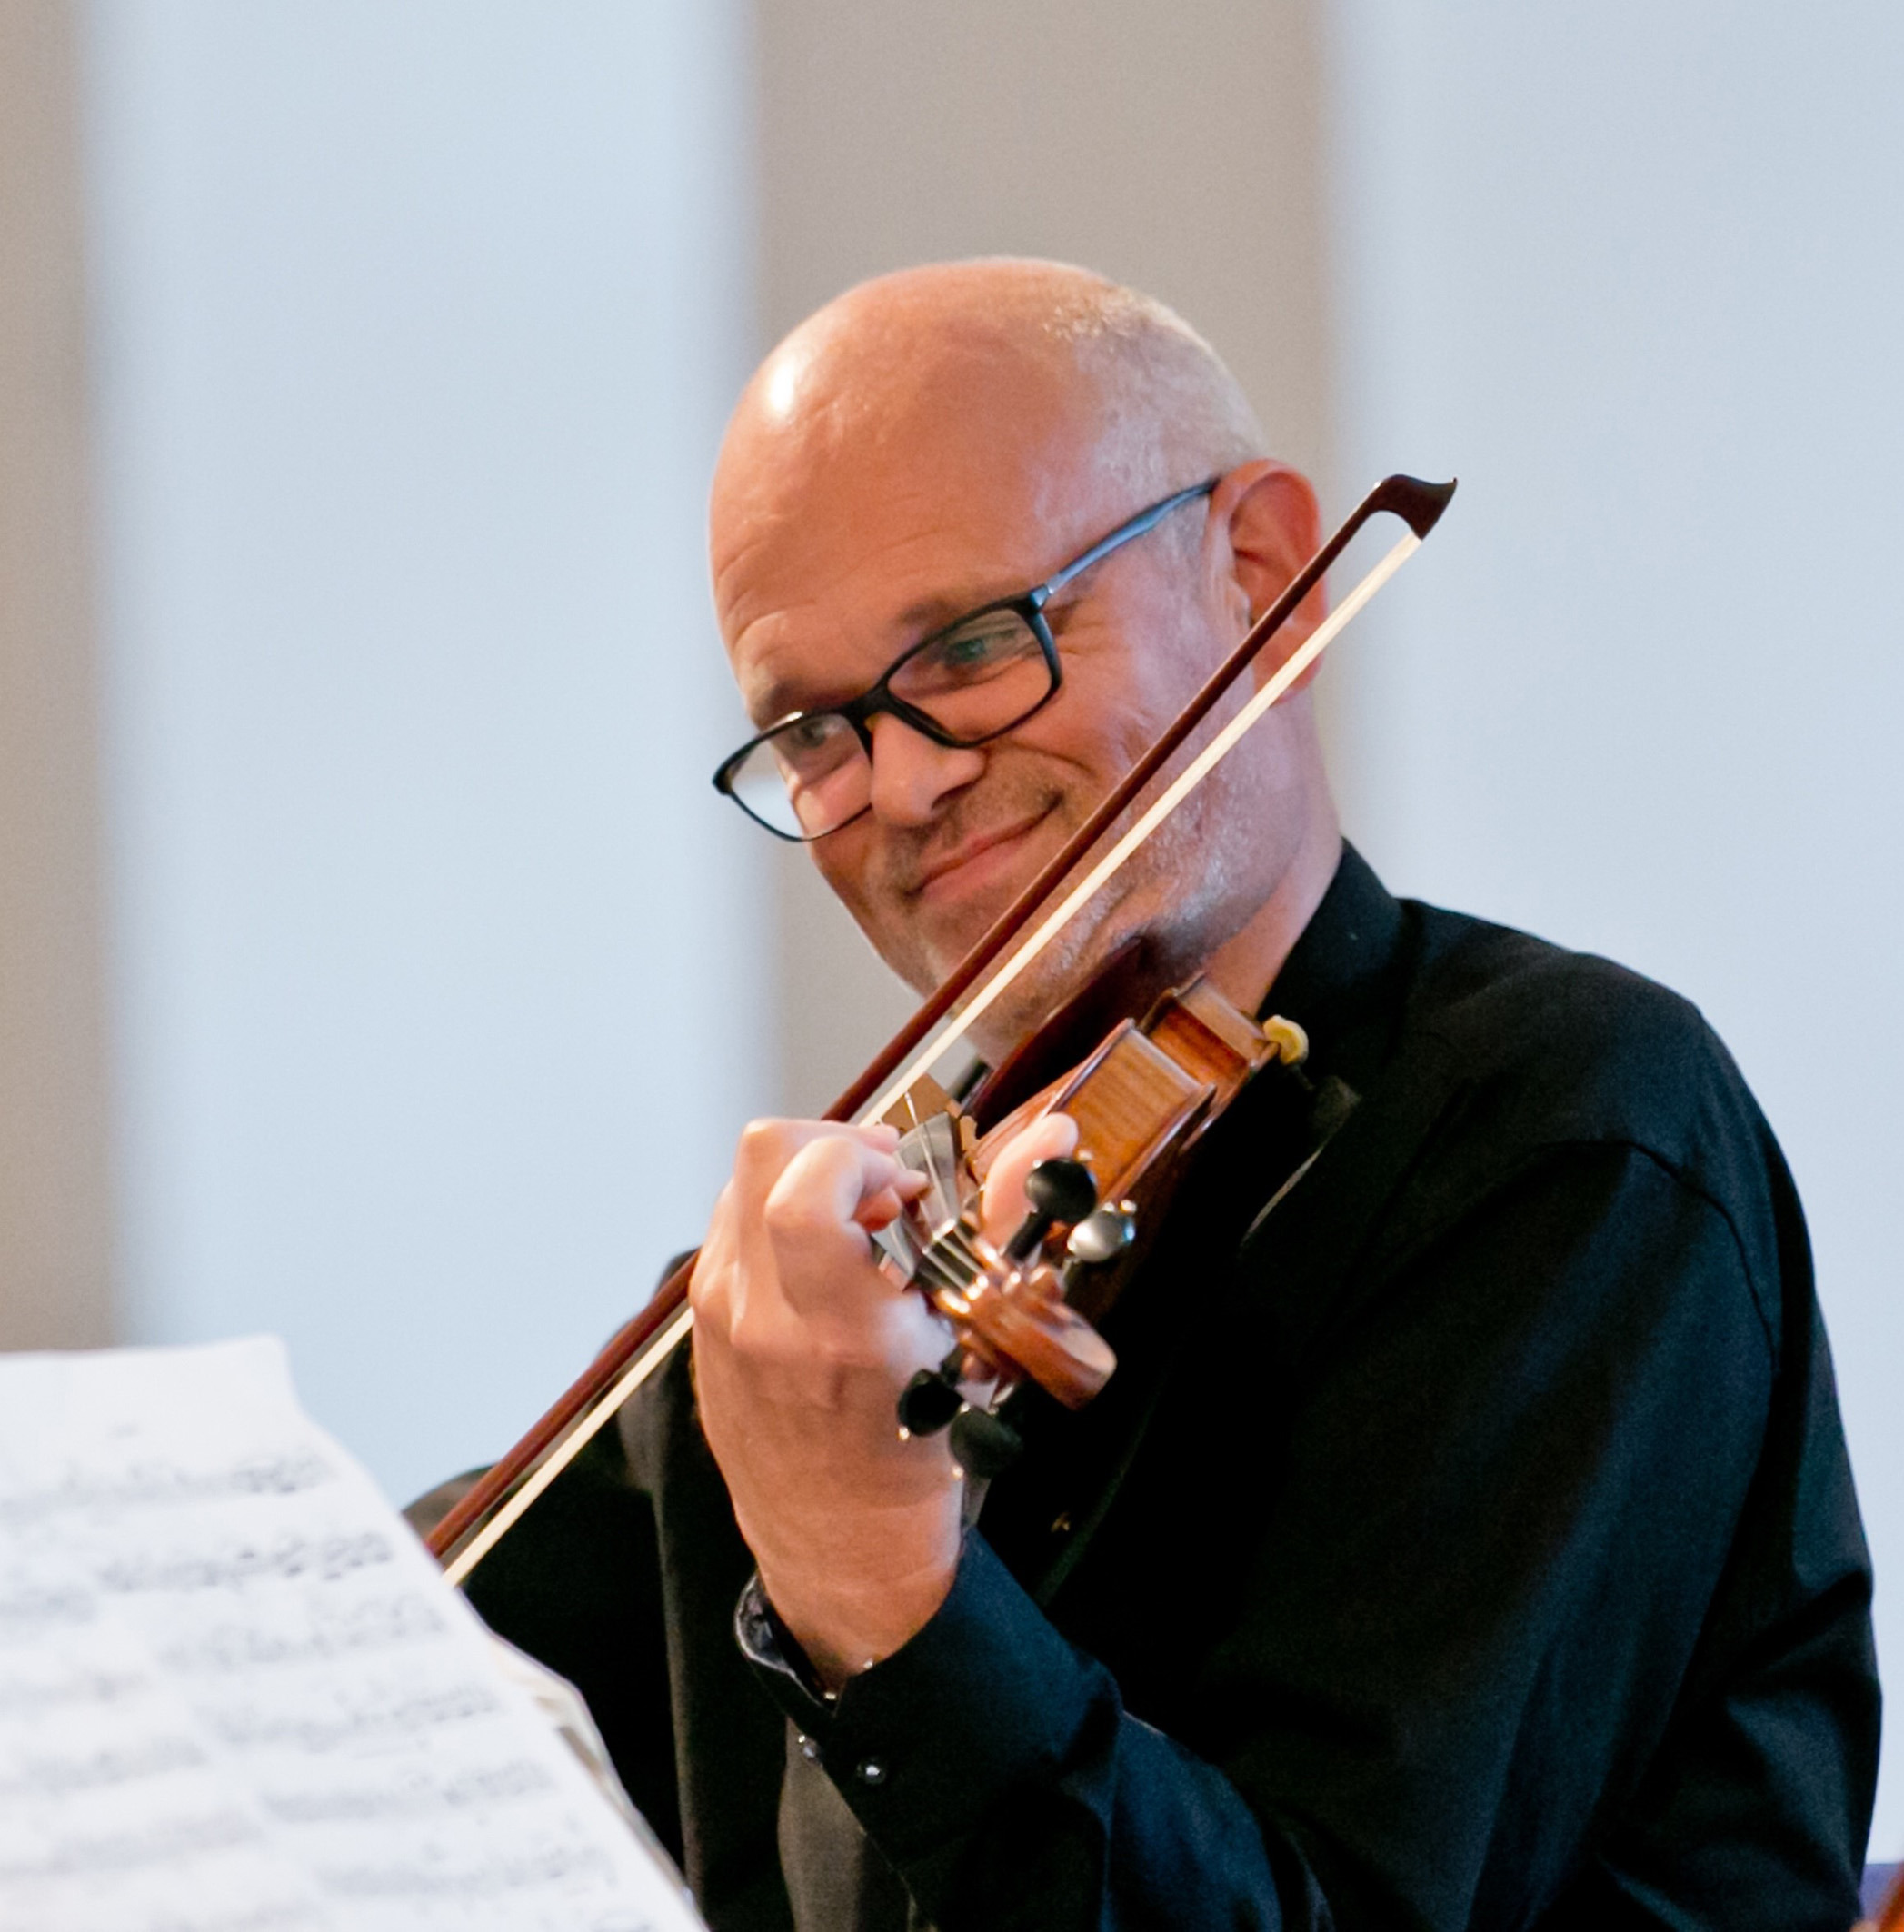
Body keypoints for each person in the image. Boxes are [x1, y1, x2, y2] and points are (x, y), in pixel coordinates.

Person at [418, 259, 1879, 1929]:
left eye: (971, 644)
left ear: (1258, 572)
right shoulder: (911, 1234)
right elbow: (444, 1636)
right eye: (817, 728)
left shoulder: (1565, 1135)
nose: (899, 783)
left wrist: (883, 1592)